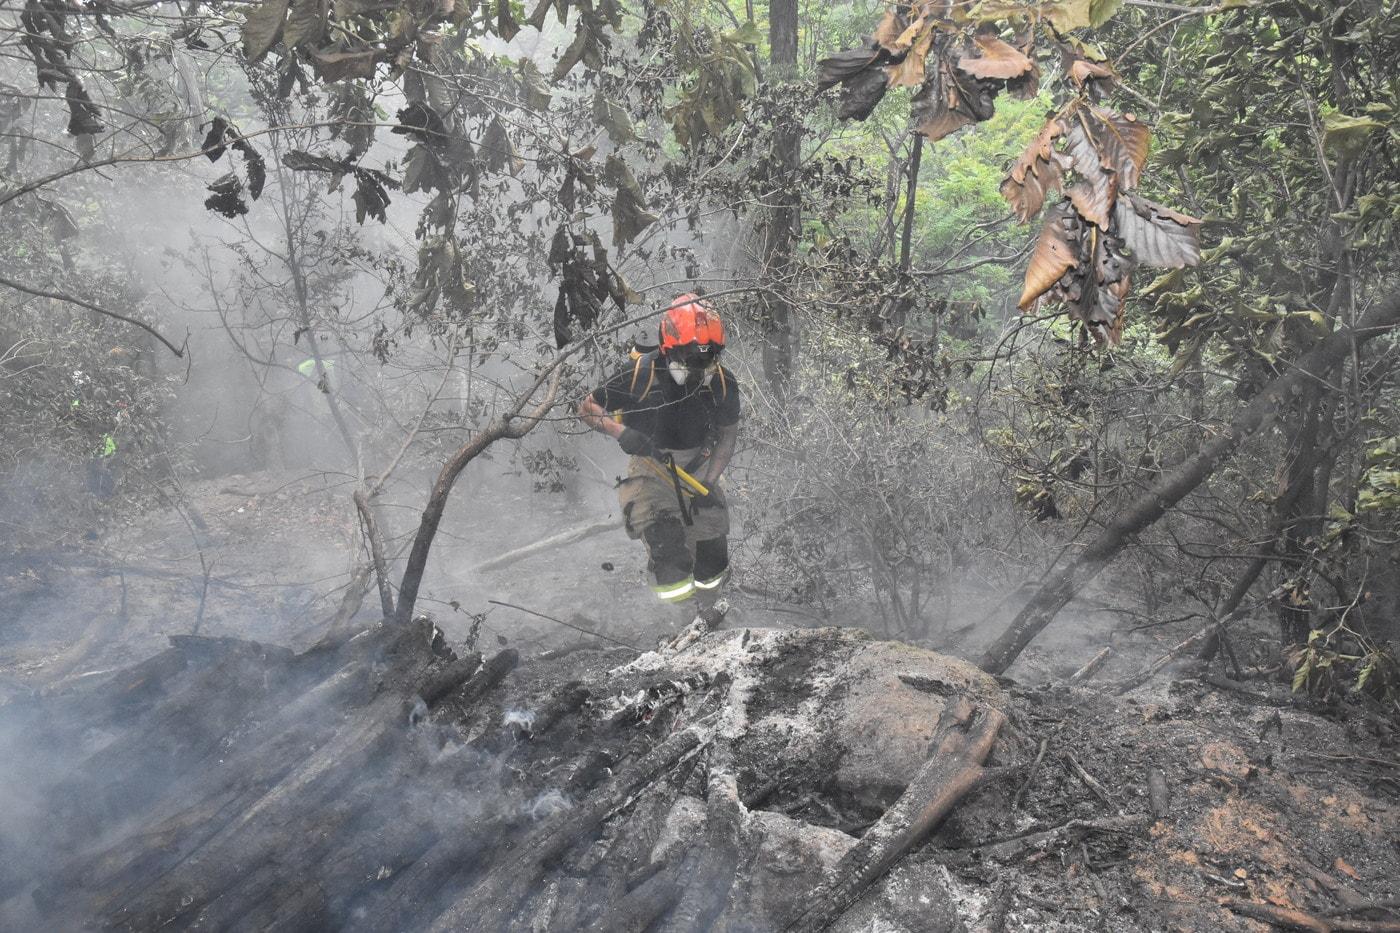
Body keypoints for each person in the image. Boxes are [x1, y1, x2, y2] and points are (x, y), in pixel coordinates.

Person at [579, 294, 740, 610]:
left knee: (712, 556)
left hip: (700, 468)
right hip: (650, 469)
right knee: (669, 551)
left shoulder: (722, 381)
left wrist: (710, 481)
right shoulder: (640, 373)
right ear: (670, 347)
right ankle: (675, 619)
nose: (699, 368)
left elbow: (727, 436)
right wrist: (621, 431)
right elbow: (587, 407)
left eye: (707, 359)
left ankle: (708, 612)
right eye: (692, 359)